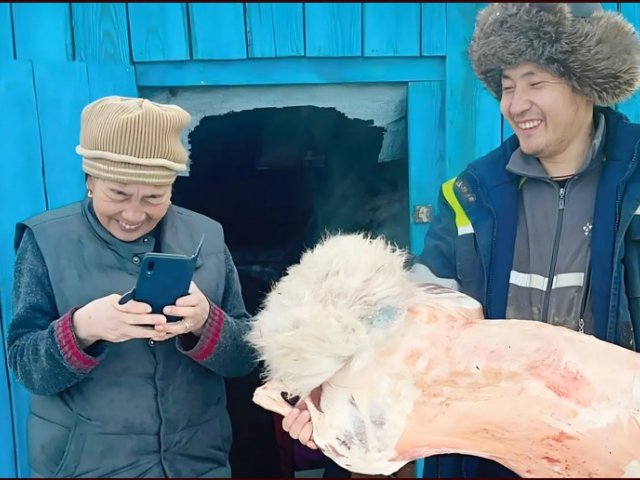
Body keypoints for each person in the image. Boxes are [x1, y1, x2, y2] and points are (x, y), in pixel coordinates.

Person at [282, 2, 640, 478]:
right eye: (506, 86)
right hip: (489, 456)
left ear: (585, 80)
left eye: (535, 83)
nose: (516, 104)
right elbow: (418, 323)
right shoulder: (472, 194)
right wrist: (336, 392)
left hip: (617, 454)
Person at [7, 96, 255, 478]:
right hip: (87, 468)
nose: (134, 214)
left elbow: (244, 359)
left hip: (197, 464)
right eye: (118, 194)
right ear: (90, 180)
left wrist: (207, 322)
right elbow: (27, 368)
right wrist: (83, 329)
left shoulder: (206, 236)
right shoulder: (46, 241)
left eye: (154, 197)